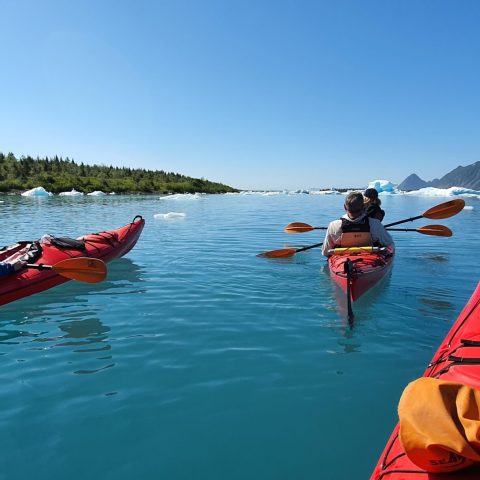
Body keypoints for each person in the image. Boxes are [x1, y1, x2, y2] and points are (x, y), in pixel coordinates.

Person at [321, 191, 394, 256]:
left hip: (342, 263)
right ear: (363, 207)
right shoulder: (375, 224)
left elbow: (325, 252)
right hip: (369, 262)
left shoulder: (333, 225)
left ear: (344, 207)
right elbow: (390, 245)